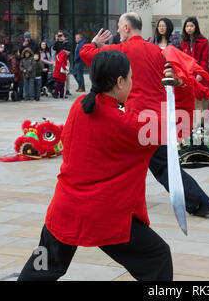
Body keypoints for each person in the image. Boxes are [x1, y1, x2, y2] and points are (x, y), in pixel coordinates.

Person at [18, 50, 186, 281]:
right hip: (103, 215)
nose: (132, 82)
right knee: (157, 257)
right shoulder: (127, 125)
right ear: (119, 82)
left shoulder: (79, 106)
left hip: (64, 209)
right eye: (130, 77)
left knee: (40, 268)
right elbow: (179, 126)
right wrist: (181, 86)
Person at [81, 12, 209, 216]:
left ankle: (199, 202)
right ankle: (118, 200)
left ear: (127, 28)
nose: (118, 31)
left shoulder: (121, 51)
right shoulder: (158, 50)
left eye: (120, 27)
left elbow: (87, 56)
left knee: (157, 165)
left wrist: (94, 43)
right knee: (148, 163)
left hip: (138, 120)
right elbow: (183, 77)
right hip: (159, 118)